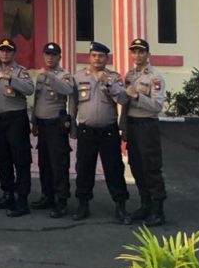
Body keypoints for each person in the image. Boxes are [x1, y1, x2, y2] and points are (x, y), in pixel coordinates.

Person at [71, 40, 131, 223]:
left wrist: (110, 84)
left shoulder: (114, 77)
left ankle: (120, 207)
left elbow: (123, 99)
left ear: (107, 58)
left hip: (108, 132)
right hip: (86, 131)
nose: (97, 59)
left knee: (114, 169)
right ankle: (83, 205)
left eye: (101, 56)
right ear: (89, 57)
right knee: (84, 168)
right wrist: (72, 125)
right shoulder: (79, 77)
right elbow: (73, 103)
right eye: (94, 55)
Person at [122, 37, 168, 226]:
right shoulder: (130, 75)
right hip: (132, 125)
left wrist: (137, 96)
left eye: (141, 51)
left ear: (148, 54)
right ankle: (145, 205)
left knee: (151, 167)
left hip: (147, 125)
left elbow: (157, 106)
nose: (137, 55)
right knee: (136, 166)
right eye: (134, 51)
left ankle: (158, 210)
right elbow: (125, 103)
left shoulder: (155, 77)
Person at [0, 37, 35, 217]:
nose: (5, 53)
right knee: (2, 159)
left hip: (16, 120)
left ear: (14, 53)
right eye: (2, 50)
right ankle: (7, 194)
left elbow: (29, 89)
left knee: (21, 160)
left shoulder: (21, 72)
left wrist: (10, 79)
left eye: (8, 51)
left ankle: (22, 199)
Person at [31, 42, 75, 218]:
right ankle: (47, 195)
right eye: (47, 54)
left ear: (59, 57)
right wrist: (34, 121)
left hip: (56, 125)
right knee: (44, 163)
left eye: (54, 55)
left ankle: (61, 200)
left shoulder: (64, 75)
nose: (50, 57)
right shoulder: (40, 76)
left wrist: (51, 77)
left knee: (59, 164)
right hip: (42, 125)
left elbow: (67, 90)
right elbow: (37, 100)